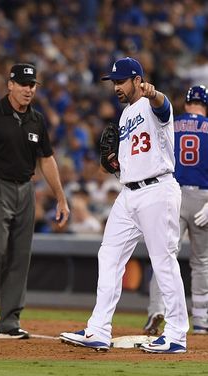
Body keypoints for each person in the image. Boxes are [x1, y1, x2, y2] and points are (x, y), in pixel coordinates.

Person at [59, 57, 189, 353]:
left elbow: (164, 106)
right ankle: (98, 330)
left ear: (137, 80)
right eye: (114, 82)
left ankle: (177, 334)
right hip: (129, 193)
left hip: (157, 189)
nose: (116, 86)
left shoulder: (150, 104)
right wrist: (115, 165)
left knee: (163, 261)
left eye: (121, 81)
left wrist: (152, 93)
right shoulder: (125, 114)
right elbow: (129, 164)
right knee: (109, 255)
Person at [0, 63, 69, 339]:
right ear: (10, 85)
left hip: (26, 189)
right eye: (23, 84)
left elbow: (47, 159)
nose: (28, 89)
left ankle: (9, 322)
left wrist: (61, 198)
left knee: (19, 256)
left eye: (32, 85)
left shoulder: (37, 120)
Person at [143, 85, 208, 336]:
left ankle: (156, 309)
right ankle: (201, 318)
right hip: (203, 197)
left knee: (164, 256)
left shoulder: (171, 122)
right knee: (202, 262)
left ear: (186, 102)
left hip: (173, 194)